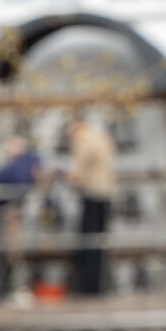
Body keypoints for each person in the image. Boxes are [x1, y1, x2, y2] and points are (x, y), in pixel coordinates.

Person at [0, 133, 44, 302]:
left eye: (10, 145)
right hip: (4, 216)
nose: (7, 149)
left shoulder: (21, 165)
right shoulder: (30, 163)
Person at [66, 114, 117, 298]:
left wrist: (72, 179)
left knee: (89, 243)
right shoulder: (101, 135)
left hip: (92, 194)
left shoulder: (83, 138)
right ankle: (96, 286)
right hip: (106, 193)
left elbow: (77, 169)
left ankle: (88, 288)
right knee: (99, 242)